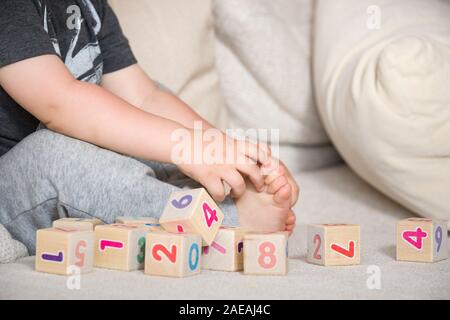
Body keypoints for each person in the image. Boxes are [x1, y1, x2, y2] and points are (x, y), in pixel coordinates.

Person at [0, 0, 298, 253]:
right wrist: (185, 147)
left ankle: (212, 192)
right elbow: (59, 103)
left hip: (81, 154)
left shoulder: (90, 5)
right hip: (14, 186)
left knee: (146, 108)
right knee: (52, 153)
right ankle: (224, 221)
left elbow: (144, 97)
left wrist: (223, 151)